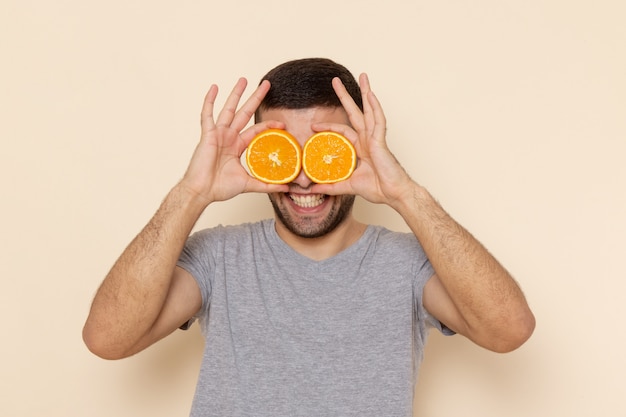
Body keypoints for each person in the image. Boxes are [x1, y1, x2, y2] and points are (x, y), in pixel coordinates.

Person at [83, 58, 535, 416]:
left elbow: (509, 331)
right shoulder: (218, 256)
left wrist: (406, 194)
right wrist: (191, 192)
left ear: (357, 149)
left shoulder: (408, 264)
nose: (302, 180)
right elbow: (107, 339)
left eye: (322, 154)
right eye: (283, 154)